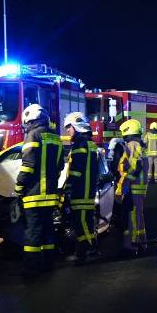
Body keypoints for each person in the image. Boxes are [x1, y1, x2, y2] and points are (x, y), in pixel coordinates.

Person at [14, 103, 63, 275]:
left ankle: (31, 267)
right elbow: (60, 165)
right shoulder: (56, 138)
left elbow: (28, 165)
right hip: (50, 194)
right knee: (48, 228)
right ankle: (48, 263)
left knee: (32, 232)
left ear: (30, 119)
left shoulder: (33, 135)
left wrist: (19, 186)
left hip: (33, 195)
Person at [63, 112, 100, 263]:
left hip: (81, 191)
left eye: (69, 127)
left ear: (77, 126)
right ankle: (89, 249)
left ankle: (85, 252)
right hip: (88, 190)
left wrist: (68, 186)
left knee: (81, 223)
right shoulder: (90, 144)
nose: (67, 131)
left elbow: (76, 170)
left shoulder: (80, 145)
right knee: (86, 222)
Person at [115, 118, 148, 255]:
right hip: (137, 188)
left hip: (133, 188)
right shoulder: (137, 144)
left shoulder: (132, 145)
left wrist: (123, 186)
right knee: (137, 216)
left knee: (133, 216)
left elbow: (134, 167)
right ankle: (141, 242)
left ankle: (134, 244)